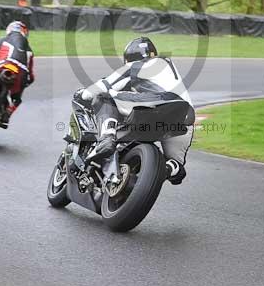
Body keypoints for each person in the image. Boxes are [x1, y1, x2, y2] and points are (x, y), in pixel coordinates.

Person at [72, 37, 194, 185]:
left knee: (104, 97)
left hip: (156, 102)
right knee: (176, 164)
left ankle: (107, 139)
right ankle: (167, 169)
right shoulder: (167, 68)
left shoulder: (135, 66)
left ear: (128, 59)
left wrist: (83, 94)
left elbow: (104, 85)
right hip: (184, 116)